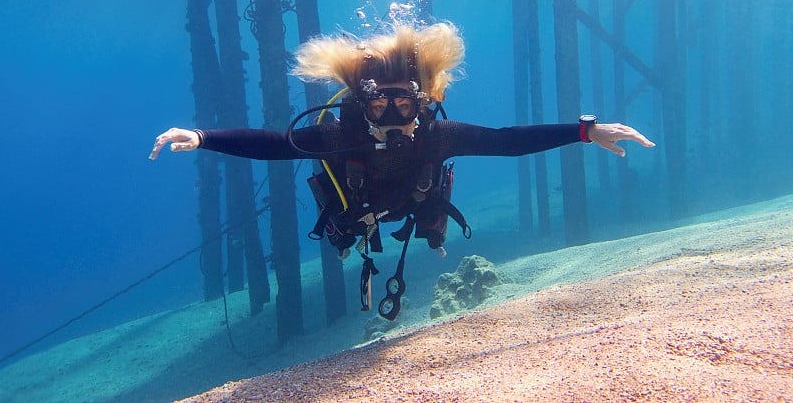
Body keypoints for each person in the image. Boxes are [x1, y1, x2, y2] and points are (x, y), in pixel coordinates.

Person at [150, 22, 654, 319]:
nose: (393, 116)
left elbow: (507, 142)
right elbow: (275, 145)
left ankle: (433, 235)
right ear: (361, 105)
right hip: (359, 210)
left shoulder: (438, 133)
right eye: (379, 105)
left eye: (404, 105)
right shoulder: (338, 135)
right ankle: (357, 239)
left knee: (430, 210)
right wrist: (203, 137)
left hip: (416, 202)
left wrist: (584, 130)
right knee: (343, 227)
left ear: (423, 102)